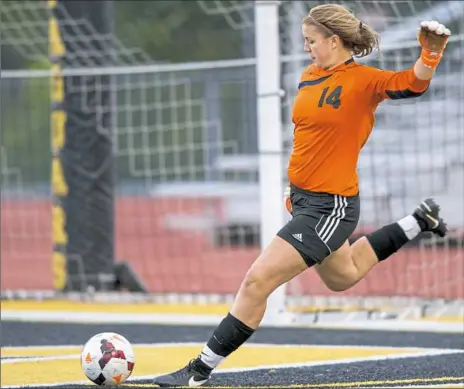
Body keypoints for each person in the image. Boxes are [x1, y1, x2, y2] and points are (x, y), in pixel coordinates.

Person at [153, 4, 451, 387]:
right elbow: (306, 137)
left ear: (334, 40)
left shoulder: (363, 81)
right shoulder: (308, 76)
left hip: (332, 207)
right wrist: (293, 188)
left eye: (311, 41)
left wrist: (430, 53)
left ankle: (198, 370)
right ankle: (420, 220)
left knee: (257, 281)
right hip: (305, 201)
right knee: (343, 277)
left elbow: (413, 83)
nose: (307, 48)